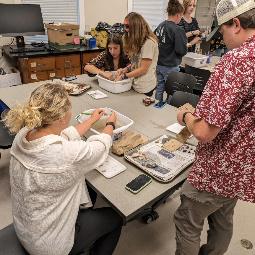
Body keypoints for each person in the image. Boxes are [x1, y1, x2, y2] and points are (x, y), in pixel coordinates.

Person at [3, 82, 123, 255]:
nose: (71, 110)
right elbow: (100, 147)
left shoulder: (23, 136)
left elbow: (62, 135)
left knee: (89, 192)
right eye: (70, 107)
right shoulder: (66, 154)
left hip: (27, 228)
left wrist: (91, 120)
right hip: (49, 245)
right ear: (61, 117)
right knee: (116, 217)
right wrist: (110, 125)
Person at [174, 0, 255, 254]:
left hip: (218, 169)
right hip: (243, 168)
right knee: (222, 219)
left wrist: (187, 115)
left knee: (187, 221)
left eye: (222, 31)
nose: (222, 37)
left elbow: (203, 132)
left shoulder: (236, 61)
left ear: (237, 24)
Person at [115, 12, 159, 97]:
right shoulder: (139, 40)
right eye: (127, 32)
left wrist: (124, 76)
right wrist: (126, 69)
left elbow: (143, 69)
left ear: (137, 30)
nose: (128, 35)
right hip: (136, 84)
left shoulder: (148, 43)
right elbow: (138, 61)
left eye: (130, 32)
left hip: (144, 87)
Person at [154, 0, 187, 104]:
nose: (181, 18)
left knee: (160, 87)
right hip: (170, 66)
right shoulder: (177, 30)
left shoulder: (160, 26)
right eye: (181, 16)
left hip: (159, 64)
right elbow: (181, 50)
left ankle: (157, 107)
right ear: (178, 14)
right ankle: (168, 111)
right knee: (172, 91)